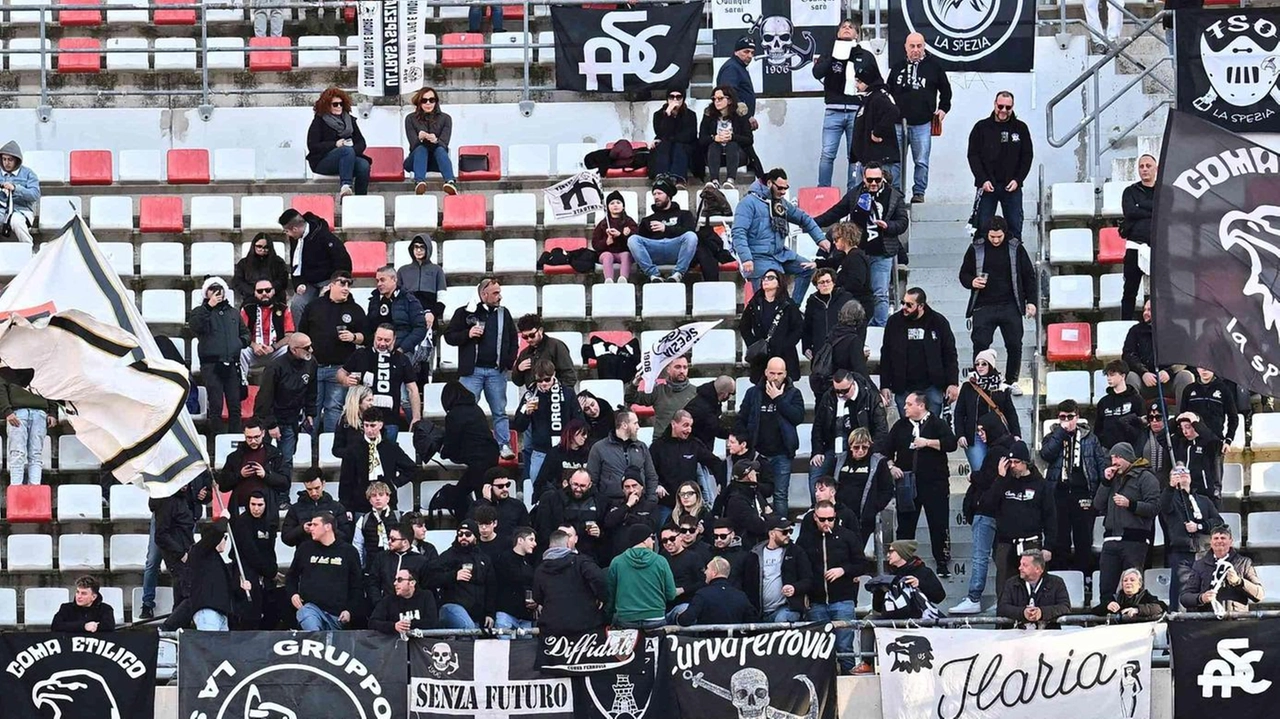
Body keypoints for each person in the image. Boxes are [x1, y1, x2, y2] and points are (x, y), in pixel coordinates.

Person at [813, 163, 910, 327]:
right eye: (870, 179)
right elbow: (836, 212)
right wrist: (810, 223)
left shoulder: (894, 196)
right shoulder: (856, 193)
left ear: (883, 178)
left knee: (880, 293)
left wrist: (888, 226)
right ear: (863, 178)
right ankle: (860, 323)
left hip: (882, 252)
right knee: (858, 291)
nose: (873, 183)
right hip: (860, 253)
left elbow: (903, 222)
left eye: (877, 180)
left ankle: (880, 326)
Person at [885, 391, 958, 577]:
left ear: (921, 405)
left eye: (909, 404)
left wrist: (928, 442)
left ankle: (941, 560)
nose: (905, 407)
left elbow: (951, 443)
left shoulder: (937, 423)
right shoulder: (900, 426)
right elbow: (885, 449)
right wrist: (891, 466)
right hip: (907, 483)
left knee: (938, 522)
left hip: (935, 482)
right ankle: (901, 563)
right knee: (905, 525)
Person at [959, 216, 1037, 390]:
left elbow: (1029, 277)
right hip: (983, 305)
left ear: (1005, 234)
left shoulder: (1016, 248)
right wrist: (972, 281)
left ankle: (1012, 381)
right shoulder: (976, 248)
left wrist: (1031, 302)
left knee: (1014, 343)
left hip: (1011, 304)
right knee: (980, 343)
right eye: (992, 236)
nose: (995, 240)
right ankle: (979, 379)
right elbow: (963, 274)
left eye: (999, 237)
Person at [444, 278, 518, 459]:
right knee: (464, 410)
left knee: (500, 411)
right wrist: (467, 334)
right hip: (472, 372)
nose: (499, 296)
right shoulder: (464, 312)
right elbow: (449, 336)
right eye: (495, 293)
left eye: (499, 292)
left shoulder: (503, 313)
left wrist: (508, 362)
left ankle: (504, 445)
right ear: (484, 294)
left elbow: (513, 339)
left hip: (496, 371)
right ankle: (466, 444)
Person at [731, 168, 826, 304]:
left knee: (809, 268)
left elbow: (804, 218)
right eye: (780, 188)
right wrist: (746, 258)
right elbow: (738, 232)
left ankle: (793, 307)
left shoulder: (781, 203)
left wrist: (821, 239)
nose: (783, 192)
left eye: (786, 188)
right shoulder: (748, 203)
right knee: (772, 295)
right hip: (758, 257)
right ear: (770, 183)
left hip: (781, 254)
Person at [952, 414, 1014, 615]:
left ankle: (974, 597)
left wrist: (972, 476)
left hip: (986, 511)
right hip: (1000, 512)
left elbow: (987, 478)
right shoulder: (1006, 449)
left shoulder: (996, 451)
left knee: (981, 556)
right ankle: (1002, 598)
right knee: (999, 558)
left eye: (982, 430)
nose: (979, 435)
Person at [1040, 400, 1107, 576]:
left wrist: (1099, 493)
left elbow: (1100, 464)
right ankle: (1059, 575)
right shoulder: (1052, 435)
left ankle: (1084, 575)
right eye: (1063, 417)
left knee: (1083, 537)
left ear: (1077, 417)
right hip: (1059, 492)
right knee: (1059, 537)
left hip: (1083, 491)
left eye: (1070, 416)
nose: (1067, 420)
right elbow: (1046, 454)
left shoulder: (1090, 438)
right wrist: (1061, 432)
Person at [799, 500, 867, 673]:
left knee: (845, 648)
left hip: (843, 600)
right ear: (814, 517)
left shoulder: (848, 536)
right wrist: (804, 593)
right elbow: (799, 569)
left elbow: (862, 564)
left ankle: (848, 686)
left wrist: (843, 570)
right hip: (816, 602)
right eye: (822, 519)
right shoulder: (805, 539)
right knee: (819, 649)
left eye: (830, 519)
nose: (827, 523)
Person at [296, 271, 366, 432]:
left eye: (349, 284)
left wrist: (354, 336)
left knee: (334, 408)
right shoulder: (314, 306)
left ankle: (330, 450)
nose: (346, 288)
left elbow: (368, 337)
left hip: (340, 368)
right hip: (314, 366)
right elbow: (302, 333)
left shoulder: (355, 309)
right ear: (331, 284)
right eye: (342, 283)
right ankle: (307, 449)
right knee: (311, 409)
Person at [812, 19, 877, 190]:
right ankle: (823, 191)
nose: (847, 29)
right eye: (843, 27)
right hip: (834, 110)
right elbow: (817, 72)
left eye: (851, 27)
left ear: (857, 34)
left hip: (857, 111)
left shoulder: (865, 55)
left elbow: (877, 81)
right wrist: (834, 54)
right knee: (827, 154)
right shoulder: (829, 52)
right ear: (838, 33)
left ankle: (853, 193)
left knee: (854, 155)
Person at [888, 33, 951, 203]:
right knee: (895, 161)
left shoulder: (934, 67)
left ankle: (919, 193)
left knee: (921, 161)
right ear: (906, 47)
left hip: (923, 123)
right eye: (912, 46)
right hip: (897, 123)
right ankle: (896, 194)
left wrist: (943, 110)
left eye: (919, 46)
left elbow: (946, 92)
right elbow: (887, 92)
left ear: (924, 47)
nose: (916, 50)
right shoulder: (897, 67)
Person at [737, 357, 806, 515]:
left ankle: (780, 530)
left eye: (779, 373)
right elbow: (741, 418)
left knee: (780, 495)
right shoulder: (753, 393)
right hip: (757, 454)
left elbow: (798, 417)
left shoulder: (794, 393)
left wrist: (778, 399)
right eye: (772, 373)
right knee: (754, 493)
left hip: (782, 453)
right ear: (766, 373)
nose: (775, 377)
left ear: (785, 374)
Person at [1095, 442, 1161, 603]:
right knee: (1106, 588)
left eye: (1118, 457)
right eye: (1112, 458)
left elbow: (1154, 508)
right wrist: (1105, 483)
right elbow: (1097, 505)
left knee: (1133, 587)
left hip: (1134, 541)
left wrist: (1130, 504)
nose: (1114, 461)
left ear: (1128, 458)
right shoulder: (1112, 479)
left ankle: (1132, 617)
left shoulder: (1146, 477)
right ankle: (1107, 619)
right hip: (1110, 540)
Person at [987, 441, 1057, 591]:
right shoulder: (1004, 482)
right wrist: (1000, 478)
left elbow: (1050, 517)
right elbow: (987, 505)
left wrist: (1048, 546)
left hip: (1031, 544)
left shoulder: (1041, 485)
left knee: (1033, 588)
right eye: (1010, 462)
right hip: (1006, 544)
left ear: (1026, 463)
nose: (1013, 465)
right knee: (1004, 590)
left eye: (1016, 462)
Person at [880, 287, 960, 416]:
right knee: (907, 429)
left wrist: (952, 382)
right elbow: (886, 355)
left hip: (932, 385)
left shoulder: (939, 322)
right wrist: (885, 384)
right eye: (903, 303)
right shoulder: (894, 322)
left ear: (921, 306)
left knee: (932, 426)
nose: (904, 307)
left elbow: (949, 354)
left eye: (909, 305)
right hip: (903, 386)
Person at [967, 91, 1034, 238]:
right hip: (987, 186)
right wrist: (982, 179)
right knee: (982, 229)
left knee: (1015, 228)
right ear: (994, 104)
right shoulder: (981, 127)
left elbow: (1027, 157)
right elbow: (973, 156)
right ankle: (981, 260)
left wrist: (1018, 179)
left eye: (1008, 107)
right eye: (1000, 106)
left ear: (1012, 107)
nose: (1003, 110)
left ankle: (1015, 259)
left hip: (1012, 186)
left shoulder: (1021, 128)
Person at [338, 324, 421, 440]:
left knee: (387, 455)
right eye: (379, 339)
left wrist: (416, 416)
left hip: (390, 420)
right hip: (361, 418)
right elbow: (341, 373)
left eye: (387, 340)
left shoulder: (401, 359)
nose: (382, 343)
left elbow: (412, 389)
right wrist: (345, 380)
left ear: (394, 340)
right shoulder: (361, 354)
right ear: (374, 336)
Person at [190, 278, 250, 435]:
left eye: (219, 288)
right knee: (215, 404)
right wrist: (209, 306)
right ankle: (216, 438)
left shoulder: (234, 313)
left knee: (235, 405)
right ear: (206, 292)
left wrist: (240, 342)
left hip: (231, 363)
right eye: (213, 288)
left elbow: (245, 333)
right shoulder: (200, 311)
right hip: (211, 365)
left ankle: (235, 436)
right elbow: (195, 326)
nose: (217, 292)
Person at [811, 370, 889, 490]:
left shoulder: (870, 397)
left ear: (853, 385)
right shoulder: (829, 396)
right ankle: (819, 508)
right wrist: (817, 451)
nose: (840, 394)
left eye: (844, 391)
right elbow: (818, 426)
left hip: (859, 448)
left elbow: (881, 430)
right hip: (832, 447)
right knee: (816, 474)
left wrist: (867, 451)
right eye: (837, 391)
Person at [286, 512, 364, 631]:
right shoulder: (305, 548)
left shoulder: (349, 551)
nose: (310, 528)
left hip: (337, 614)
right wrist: (293, 594)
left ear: (328, 527)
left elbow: (357, 585)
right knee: (313, 632)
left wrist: (350, 610)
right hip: (310, 608)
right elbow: (291, 576)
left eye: (315, 525)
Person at [1160, 462, 1222, 610]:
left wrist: (1200, 526)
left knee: (1208, 592)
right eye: (1177, 472)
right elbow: (1163, 506)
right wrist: (1170, 487)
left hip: (1204, 553)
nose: (1182, 473)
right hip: (1182, 553)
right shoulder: (1170, 498)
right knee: (1181, 594)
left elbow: (1219, 522)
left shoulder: (1204, 500)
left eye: (1185, 470)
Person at [254, 333, 316, 477]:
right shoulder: (275, 366)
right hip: (269, 417)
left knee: (286, 460)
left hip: (292, 418)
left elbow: (312, 391)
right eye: (307, 348)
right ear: (294, 349)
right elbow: (264, 398)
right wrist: (271, 424)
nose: (311, 350)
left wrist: (311, 413)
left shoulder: (311, 362)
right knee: (263, 461)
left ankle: (284, 497)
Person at [513, 359, 583, 484]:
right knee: (538, 491)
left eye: (547, 380)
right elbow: (518, 426)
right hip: (540, 452)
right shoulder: (530, 395)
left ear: (554, 375)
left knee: (566, 489)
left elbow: (579, 421)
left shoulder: (567, 394)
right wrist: (526, 414)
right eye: (539, 381)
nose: (543, 384)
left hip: (563, 451)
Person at [172, 520, 249, 631]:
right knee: (208, 647)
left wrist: (241, 588)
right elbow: (215, 533)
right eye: (224, 537)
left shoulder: (218, 563)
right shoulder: (198, 552)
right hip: (208, 612)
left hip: (222, 614)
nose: (225, 541)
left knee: (218, 648)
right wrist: (224, 518)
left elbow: (230, 592)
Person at [954, 348, 1020, 473]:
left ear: (991, 365)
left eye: (984, 363)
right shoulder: (968, 386)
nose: (980, 367)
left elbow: (1010, 412)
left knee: (999, 472)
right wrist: (960, 434)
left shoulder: (1001, 387)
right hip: (975, 435)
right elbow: (959, 412)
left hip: (998, 436)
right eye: (977, 364)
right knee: (980, 471)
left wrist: (1016, 434)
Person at [279, 208, 352, 320]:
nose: (286, 234)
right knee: (297, 305)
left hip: (328, 281)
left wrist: (332, 284)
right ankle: (302, 336)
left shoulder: (324, 236)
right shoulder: (295, 239)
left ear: (295, 229)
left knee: (323, 306)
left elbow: (344, 263)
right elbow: (295, 264)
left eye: (286, 231)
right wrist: (298, 283)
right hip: (309, 283)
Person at [533, 529, 610, 636]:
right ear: (568, 544)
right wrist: (601, 598)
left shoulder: (540, 569)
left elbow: (537, 597)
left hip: (552, 626)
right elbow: (599, 579)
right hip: (585, 624)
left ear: (550, 546)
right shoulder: (582, 562)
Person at [440, 381, 500, 517]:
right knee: (482, 495)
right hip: (490, 455)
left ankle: (468, 525)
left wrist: (444, 452)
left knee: (464, 496)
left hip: (478, 461)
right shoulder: (475, 409)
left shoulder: (454, 415)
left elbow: (452, 442)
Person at [651, 411, 722, 523]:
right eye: (685, 425)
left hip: (690, 505)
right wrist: (657, 485)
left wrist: (720, 482)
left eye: (690, 426)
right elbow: (649, 471)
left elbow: (715, 462)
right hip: (667, 503)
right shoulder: (658, 447)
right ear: (674, 424)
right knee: (665, 534)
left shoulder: (694, 444)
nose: (689, 430)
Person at [427, 520, 497, 629]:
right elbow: (431, 579)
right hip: (451, 606)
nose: (463, 537)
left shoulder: (484, 558)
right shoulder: (448, 555)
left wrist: (490, 613)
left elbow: (491, 587)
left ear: (475, 536)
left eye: (468, 534)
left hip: (477, 612)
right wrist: (454, 575)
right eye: (460, 534)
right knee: (468, 627)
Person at [606, 524, 677, 630]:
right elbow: (671, 594)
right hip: (655, 618)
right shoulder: (660, 561)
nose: (653, 542)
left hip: (626, 619)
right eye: (652, 538)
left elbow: (610, 595)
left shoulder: (617, 562)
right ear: (645, 540)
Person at [1179, 525, 1264, 613]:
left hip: (1237, 618)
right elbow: (1185, 598)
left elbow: (1259, 595)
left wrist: (1239, 582)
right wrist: (1201, 598)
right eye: (1216, 538)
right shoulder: (1199, 565)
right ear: (1211, 542)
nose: (1219, 541)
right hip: (1208, 619)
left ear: (1231, 542)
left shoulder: (1244, 563)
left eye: (1223, 538)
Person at [628, 176, 698, 284]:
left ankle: (678, 274)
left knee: (691, 236)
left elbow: (690, 231)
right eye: (654, 194)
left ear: (669, 195)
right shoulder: (647, 220)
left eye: (659, 193)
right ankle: (653, 275)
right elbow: (641, 242)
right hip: (655, 250)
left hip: (676, 249)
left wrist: (666, 228)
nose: (656, 197)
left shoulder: (684, 214)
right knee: (633, 239)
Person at [1123, 300, 1195, 403]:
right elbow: (1128, 356)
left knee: (1185, 376)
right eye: (1144, 310)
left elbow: (1186, 358)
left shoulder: (1179, 331)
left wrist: (1169, 372)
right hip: (1144, 382)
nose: (1145, 313)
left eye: (1149, 310)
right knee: (1131, 377)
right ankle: (1138, 418)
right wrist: (1143, 372)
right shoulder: (1135, 331)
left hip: (1170, 382)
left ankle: (1182, 417)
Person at [832, 428, 895, 545]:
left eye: (864, 447)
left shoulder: (878, 462)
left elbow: (887, 489)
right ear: (850, 446)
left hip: (863, 517)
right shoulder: (839, 460)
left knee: (856, 551)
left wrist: (874, 507)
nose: (860, 451)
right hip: (839, 514)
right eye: (856, 447)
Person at [740, 269, 804, 383]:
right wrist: (753, 344)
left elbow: (798, 328)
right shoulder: (754, 303)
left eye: (770, 278)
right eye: (764, 278)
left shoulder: (788, 304)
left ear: (779, 282)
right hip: (761, 357)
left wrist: (786, 345)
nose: (766, 280)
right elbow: (744, 326)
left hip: (783, 355)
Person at [305, 87, 371, 198]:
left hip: (348, 157)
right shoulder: (319, 121)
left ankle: (360, 198)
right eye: (335, 104)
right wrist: (335, 145)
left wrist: (352, 151)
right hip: (324, 161)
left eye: (341, 104)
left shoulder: (349, 119)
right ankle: (346, 186)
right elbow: (313, 146)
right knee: (346, 150)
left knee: (364, 165)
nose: (339, 107)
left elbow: (361, 142)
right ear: (327, 105)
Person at [217, 419, 290, 517]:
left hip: (267, 511)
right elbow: (223, 485)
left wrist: (265, 475)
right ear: (244, 435)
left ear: (263, 433)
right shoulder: (234, 456)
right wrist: (240, 475)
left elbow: (285, 483)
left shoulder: (275, 454)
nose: (253, 441)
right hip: (241, 511)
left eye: (256, 437)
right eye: (249, 438)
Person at [230, 491, 282, 629]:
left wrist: (273, 569)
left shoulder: (269, 522)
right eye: (253, 504)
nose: (256, 508)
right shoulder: (242, 522)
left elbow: (270, 550)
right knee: (250, 610)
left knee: (273, 609)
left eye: (260, 505)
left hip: (266, 573)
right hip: (246, 571)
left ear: (266, 505)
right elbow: (250, 552)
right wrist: (271, 571)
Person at [588, 409, 660, 502]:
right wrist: (599, 504)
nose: (638, 427)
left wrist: (651, 501)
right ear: (624, 425)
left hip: (640, 503)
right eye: (635, 423)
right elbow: (592, 480)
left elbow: (651, 476)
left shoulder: (641, 447)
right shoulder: (599, 448)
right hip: (610, 504)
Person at [536, 469, 607, 561]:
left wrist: (599, 533)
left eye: (582, 486)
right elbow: (544, 527)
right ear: (570, 482)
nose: (578, 489)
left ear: (590, 485)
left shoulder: (600, 501)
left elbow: (607, 528)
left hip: (590, 552)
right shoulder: (554, 499)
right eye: (575, 484)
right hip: (559, 552)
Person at [1118, 156, 1157, 320]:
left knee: (1161, 289)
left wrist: (1141, 205)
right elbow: (1130, 212)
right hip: (1135, 246)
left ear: (1156, 168)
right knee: (1130, 290)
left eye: (1148, 166)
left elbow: (1167, 212)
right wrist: (1153, 210)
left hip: (1158, 247)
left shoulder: (1164, 191)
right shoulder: (1130, 191)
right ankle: (1125, 324)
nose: (1145, 169)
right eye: (1141, 166)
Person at [851, 65, 902, 187]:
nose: (856, 85)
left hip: (881, 161)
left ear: (868, 82)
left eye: (860, 81)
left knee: (886, 196)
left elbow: (893, 111)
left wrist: (877, 132)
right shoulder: (868, 98)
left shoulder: (878, 97)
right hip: (867, 160)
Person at [0, 374, 55, 485]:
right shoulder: (6, 367)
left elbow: (52, 386)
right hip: (17, 412)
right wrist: (7, 412)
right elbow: (1, 389)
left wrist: (53, 412)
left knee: (35, 454)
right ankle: (16, 489)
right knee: (17, 453)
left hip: (39, 412)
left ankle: (34, 489)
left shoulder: (41, 364)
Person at [870, 540, 946, 619]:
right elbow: (877, 608)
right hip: (895, 620)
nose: (888, 555)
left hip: (919, 620)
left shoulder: (923, 572)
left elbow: (939, 596)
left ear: (902, 552)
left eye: (891, 551)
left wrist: (919, 584)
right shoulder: (891, 576)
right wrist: (880, 591)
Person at [403, 87, 457, 196]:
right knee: (421, 149)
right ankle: (420, 182)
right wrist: (420, 138)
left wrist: (435, 140)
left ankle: (450, 182)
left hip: (436, 161)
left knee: (440, 150)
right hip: (416, 161)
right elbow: (413, 145)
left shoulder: (446, 118)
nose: (428, 103)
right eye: (424, 100)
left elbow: (444, 144)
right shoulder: (410, 118)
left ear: (436, 102)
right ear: (419, 102)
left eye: (431, 100)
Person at [996, 551, 1072, 627]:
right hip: (1016, 635)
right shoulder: (1011, 583)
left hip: (1048, 635)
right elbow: (1002, 608)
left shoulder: (1056, 583)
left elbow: (1065, 607)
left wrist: (1042, 613)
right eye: (1020, 564)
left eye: (1024, 565)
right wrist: (1023, 613)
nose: (1020, 568)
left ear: (1038, 569)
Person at [817, 223, 876, 320]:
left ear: (846, 239)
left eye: (836, 239)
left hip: (858, 306)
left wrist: (836, 290)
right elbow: (832, 262)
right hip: (851, 304)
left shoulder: (856, 257)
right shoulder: (846, 256)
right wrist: (816, 264)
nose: (834, 243)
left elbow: (856, 282)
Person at [240, 278, 293, 385]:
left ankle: (285, 384)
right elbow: (240, 333)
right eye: (260, 291)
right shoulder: (247, 308)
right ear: (254, 293)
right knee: (239, 351)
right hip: (254, 351)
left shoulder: (283, 309)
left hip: (275, 351)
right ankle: (242, 384)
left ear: (273, 291)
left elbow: (289, 335)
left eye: (268, 290)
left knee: (289, 349)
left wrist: (273, 347)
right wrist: (254, 345)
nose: (264, 293)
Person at [365, 523, 431, 609]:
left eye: (393, 539)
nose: (389, 542)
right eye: (389, 538)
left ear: (405, 542)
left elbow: (425, 589)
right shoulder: (382, 557)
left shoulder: (421, 561)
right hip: (384, 608)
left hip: (411, 609)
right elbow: (372, 583)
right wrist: (379, 603)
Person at [699, 85, 753, 189]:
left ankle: (730, 180)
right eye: (714, 99)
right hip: (714, 156)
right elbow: (701, 139)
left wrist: (732, 137)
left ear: (729, 100)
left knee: (731, 145)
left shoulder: (740, 114)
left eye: (720, 98)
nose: (716, 102)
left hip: (736, 156)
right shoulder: (709, 115)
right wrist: (714, 138)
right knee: (714, 145)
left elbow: (749, 139)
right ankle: (714, 180)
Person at [365, 266, 427, 356]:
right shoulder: (374, 301)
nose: (379, 284)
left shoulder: (409, 300)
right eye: (377, 281)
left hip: (403, 351)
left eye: (382, 280)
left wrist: (402, 348)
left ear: (394, 280)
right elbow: (369, 327)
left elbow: (420, 328)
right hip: (377, 350)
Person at [677, 556, 757, 625]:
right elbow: (752, 620)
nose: (705, 572)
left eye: (707, 568)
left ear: (714, 573)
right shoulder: (741, 596)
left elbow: (685, 620)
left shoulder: (702, 594)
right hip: (733, 641)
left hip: (709, 640)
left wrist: (679, 616)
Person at [281, 471, 352, 547]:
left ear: (323, 483)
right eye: (309, 489)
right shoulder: (296, 508)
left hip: (332, 553)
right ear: (305, 486)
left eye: (317, 488)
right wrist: (302, 529)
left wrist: (328, 529)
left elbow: (346, 537)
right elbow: (286, 538)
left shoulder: (337, 507)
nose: (314, 493)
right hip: (306, 554)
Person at [629, 354, 696, 432]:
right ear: (668, 369)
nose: (682, 371)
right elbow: (630, 397)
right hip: (661, 441)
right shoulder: (658, 391)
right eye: (677, 367)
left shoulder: (695, 392)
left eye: (685, 367)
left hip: (687, 441)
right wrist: (636, 381)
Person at [803, 268, 855, 366]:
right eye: (821, 282)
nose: (825, 285)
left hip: (842, 349)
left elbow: (856, 323)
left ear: (833, 282)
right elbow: (807, 327)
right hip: (820, 351)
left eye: (828, 281)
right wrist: (806, 347)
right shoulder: (812, 301)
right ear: (816, 285)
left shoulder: (845, 298)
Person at [1180, 367, 1240, 452]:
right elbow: (1182, 416)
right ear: (1197, 368)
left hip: (1215, 442)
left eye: (1208, 367)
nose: (1204, 370)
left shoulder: (1224, 390)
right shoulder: (1189, 390)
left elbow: (1233, 417)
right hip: (1193, 442)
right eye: (1201, 367)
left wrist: (1228, 440)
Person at [492, 527, 538, 632]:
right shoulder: (503, 560)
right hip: (506, 614)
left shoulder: (528, 564)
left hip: (525, 616)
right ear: (520, 540)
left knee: (525, 648)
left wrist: (536, 602)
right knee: (503, 647)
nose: (534, 544)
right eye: (531, 539)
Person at [1174, 411, 1225, 505]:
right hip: (1186, 491)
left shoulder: (1208, 443)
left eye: (1188, 427)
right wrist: (1175, 420)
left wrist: (1195, 422)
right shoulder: (1182, 443)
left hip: (1206, 492)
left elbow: (1216, 442)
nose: (1185, 432)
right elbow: (1162, 438)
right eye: (1182, 428)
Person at [511, 315, 577, 389]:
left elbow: (569, 376)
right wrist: (518, 369)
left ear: (540, 331)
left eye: (532, 335)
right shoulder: (525, 353)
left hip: (556, 396)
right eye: (525, 337)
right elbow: (518, 382)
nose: (529, 339)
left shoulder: (556, 346)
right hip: (534, 396)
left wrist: (556, 391)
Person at [369, 567, 439, 635]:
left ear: (412, 583)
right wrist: (394, 626)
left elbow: (432, 622)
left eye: (399, 580)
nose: (395, 583)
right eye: (395, 580)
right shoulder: (388, 600)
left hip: (421, 642)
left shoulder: (426, 596)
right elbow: (373, 622)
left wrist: (407, 625)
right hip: (396, 643)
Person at [533, 419, 591, 500]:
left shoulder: (588, 454)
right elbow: (542, 480)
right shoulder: (555, 453)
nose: (585, 436)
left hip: (582, 496)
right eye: (583, 433)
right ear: (572, 433)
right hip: (560, 497)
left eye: (587, 434)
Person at [397, 235, 446, 329]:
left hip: (430, 318)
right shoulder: (402, 271)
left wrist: (433, 314)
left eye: (422, 247)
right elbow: (398, 298)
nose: (418, 250)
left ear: (428, 248)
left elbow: (442, 298)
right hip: (408, 317)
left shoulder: (437, 270)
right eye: (416, 247)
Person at [722, 459, 774, 548]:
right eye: (754, 471)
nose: (756, 473)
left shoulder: (754, 491)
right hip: (747, 548)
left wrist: (766, 517)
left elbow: (772, 515)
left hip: (761, 544)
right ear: (750, 476)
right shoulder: (737, 500)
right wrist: (767, 516)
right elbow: (758, 526)